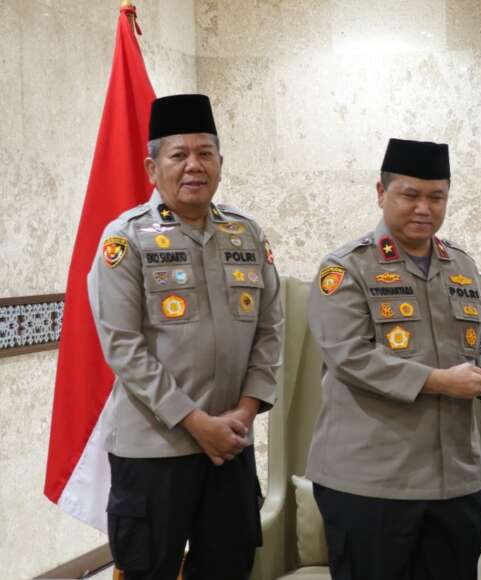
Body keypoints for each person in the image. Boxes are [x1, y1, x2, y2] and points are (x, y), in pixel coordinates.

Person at [90, 93, 282, 580]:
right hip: (154, 449)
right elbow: (123, 347)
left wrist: (244, 412)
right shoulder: (125, 239)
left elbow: (269, 330)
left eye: (205, 153)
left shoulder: (247, 234)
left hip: (230, 445)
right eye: (179, 155)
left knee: (229, 567)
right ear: (152, 168)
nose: (194, 165)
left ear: (220, 163)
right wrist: (194, 421)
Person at [305, 138, 481, 580]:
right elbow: (349, 355)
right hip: (372, 483)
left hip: (456, 482)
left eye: (437, 197)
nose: (424, 208)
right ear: (381, 193)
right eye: (410, 195)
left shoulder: (462, 267)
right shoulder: (347, 267)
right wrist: (441, 381)